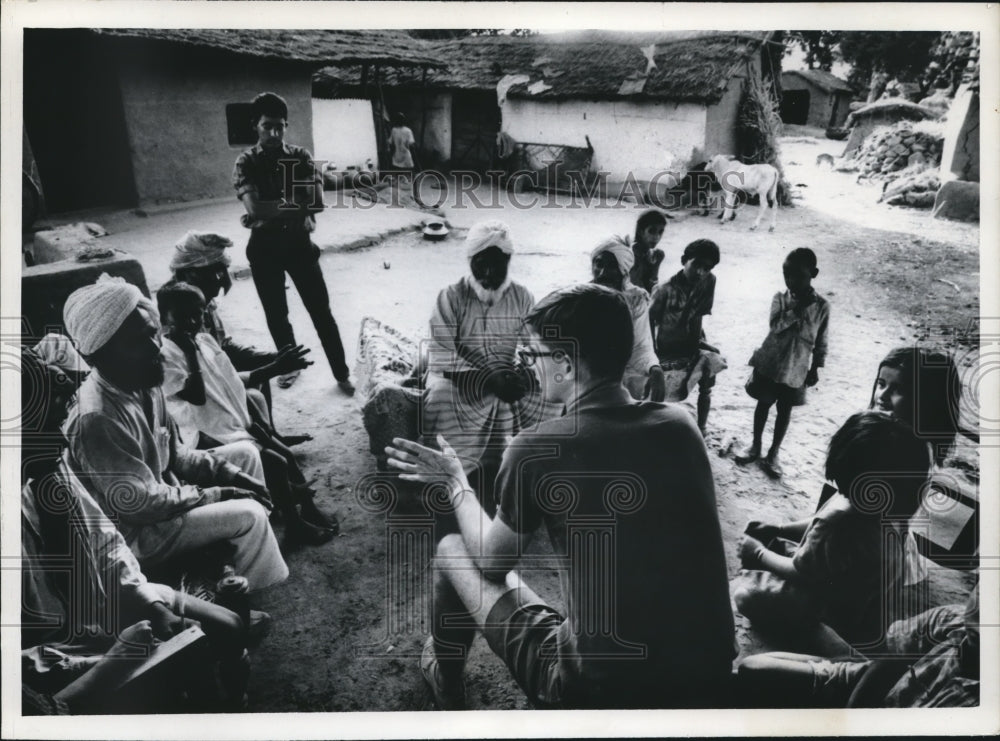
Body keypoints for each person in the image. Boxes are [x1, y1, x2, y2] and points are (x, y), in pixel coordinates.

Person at [387, 284, 736, 709]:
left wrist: (455, 481)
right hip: (708, 679)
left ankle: (447, 680)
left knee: (451, 552)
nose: (526, 366)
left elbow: (493, 564)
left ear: (566, 365)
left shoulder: (535, 448)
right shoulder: (683, 426)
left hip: (598, 691)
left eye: (532, 355)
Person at [19, 348, 255, 713]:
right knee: (190, 661)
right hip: (56, 653)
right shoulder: (86, 423)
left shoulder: (44, 465)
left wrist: (148, 601)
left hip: (108, 600)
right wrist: (117, 657)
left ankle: (223, 698)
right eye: (44, 428)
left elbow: (105, 545)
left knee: (230, 625)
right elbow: (26, 679)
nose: (63, 443)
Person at [61, 275, 289, 592]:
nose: (155, 346)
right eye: (138, 341)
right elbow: (140, 504)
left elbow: (176, 455)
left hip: (166, 500)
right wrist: (219, 493)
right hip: (141, 533)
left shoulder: (144, 379)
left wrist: (232, 476)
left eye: (153, 334)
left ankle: (237, 563)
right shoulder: (96, 418)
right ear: (100, 354)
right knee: (249, 513)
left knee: (245, 456)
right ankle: (247, 594)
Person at [732, 411, 931, 655]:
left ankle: (811, 632)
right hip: (861, 601)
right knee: (779, 544)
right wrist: (780, 529)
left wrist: (759, 554)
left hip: (829, 609)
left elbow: (802, 572)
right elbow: (819, 527)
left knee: (744, 595)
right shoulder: (894, 514)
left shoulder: (841, 521)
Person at [157, 282, 339, 545]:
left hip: (233, 420)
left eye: (199, 312)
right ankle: (294, 524)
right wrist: (189, 353)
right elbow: (195, 396)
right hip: (207, 433)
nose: (194, 321)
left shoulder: (206, 340)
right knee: (275, 462)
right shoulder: (166, 354)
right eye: (184, 316)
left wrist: (257, 417)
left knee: (285, 454)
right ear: (165, 317)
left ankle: (307, 508)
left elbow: (231, 383)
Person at [232, 91, 354, 394]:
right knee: (277, 314)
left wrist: (269, 209)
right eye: (267, 126)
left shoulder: (300, 156)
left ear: (286, 125)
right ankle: (291, 367)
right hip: (264, 248)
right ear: (255, 126)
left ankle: (341, 372)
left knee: (321, 312)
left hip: (298, 244)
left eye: (280, 126)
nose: (274, 133)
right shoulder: (245, 161)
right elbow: (255, 209)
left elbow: (317, 201)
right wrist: (295, 205)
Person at [421, 220, 535, 514]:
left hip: (503, 380)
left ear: (509, 261)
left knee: (544, 395)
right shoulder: (451, 296)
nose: (487, 274)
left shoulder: (522, 297)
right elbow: (441, 354)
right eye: (480, 265)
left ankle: (510, 475)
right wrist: (488, 379)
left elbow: (533, 346)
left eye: (496, 265)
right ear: (470, 261)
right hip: (459, 381)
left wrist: (523, 371)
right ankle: (449, 478)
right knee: (439, 397)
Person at [167, 230, 312, 447]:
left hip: (212, 371)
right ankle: (264, 440)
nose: (221, 280)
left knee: (264, 369)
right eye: (215, 272)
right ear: (191, 274)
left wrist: (269, 357)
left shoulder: (200, 300)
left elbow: (221, 346)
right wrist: (272, 367)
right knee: (257, 387)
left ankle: (271, 435)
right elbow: (208, 380)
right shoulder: (179, 312)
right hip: (199, 393)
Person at [735, 586, 979, 708]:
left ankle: (835, 648)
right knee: (751, 669)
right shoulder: (952, 620)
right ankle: (842, 656)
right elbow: (887, 664)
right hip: (867, 686)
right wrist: (850, 715)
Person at [735, 248, 830, 478]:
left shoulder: (822, 307)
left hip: (796, 367)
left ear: (813, 274)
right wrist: (797, 308)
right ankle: (755, 445)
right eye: (786, 274)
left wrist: (816, 367)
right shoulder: (780, 297)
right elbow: (775, 326)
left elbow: (821, 340)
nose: (791, 280)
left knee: (784, 410)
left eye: (798, 275)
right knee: (763, 403)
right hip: (772, 362)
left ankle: (773, 453)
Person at [650, 238, 726, 435]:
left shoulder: (709, 281)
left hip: (691, 340)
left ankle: (701, 427)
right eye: (696, 265)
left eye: (707, 268)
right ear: (684, 260)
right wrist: (652, 354)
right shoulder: (664, 289)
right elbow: (649, 322)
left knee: (714, 358)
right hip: (664, 345)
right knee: (652, 381)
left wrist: (697, 345)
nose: (701, 272)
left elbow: (699, 314)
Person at [590, 235, 666, 402]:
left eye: (611, 266)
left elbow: (641, 346)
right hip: (588, 375)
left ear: (623, 270)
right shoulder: (581, 296)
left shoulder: (636, 299)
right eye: (599, 264)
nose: (602, 273)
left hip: (624, 374)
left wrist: (655, 368)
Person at [628, 209, 667, 293]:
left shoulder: (650, 253)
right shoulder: (632, 253)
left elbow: (652, 287)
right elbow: (637, 291)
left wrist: (656, 266)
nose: (656, 237)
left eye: (660, 232)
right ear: (641, 231)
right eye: (651, 231)